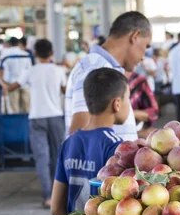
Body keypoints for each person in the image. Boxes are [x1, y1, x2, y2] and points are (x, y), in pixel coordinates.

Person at [51, 68, 129, 215]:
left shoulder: (68, 143)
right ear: (117, 103)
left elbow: (56, 208)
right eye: (128, 99)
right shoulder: (117, 148)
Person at [0, 39, 66, 208]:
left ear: (34, 54)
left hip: (36, 119)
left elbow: (10, 88)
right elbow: (66, 92)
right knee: (57, 158)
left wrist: (0, 76)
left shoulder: (30, 71)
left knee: (42, 158)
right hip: (56, 117)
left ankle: (48, 197)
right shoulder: (59, 71)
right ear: (52, 53)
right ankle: (60, 195)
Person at [65, 11, 152, 141]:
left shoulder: (104, 67)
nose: (143, 56)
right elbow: (81, 134)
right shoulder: (96, 68)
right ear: (135, 36)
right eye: (146, 46)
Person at [0, 36, 33, 113]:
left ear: (9, 44)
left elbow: (0, 69)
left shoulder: (5, 54)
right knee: (26, 111)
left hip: (11, 85)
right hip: (25, 85)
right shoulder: (26, 54)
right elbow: (30, 71)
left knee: (13, 111)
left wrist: (3, 84)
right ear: (19, 43)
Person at [127, 66, 159, 138]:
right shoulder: (104, 79)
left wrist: (130, 113)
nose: (142, 58)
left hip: (135, 135)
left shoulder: (139, 81)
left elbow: (153, 112)